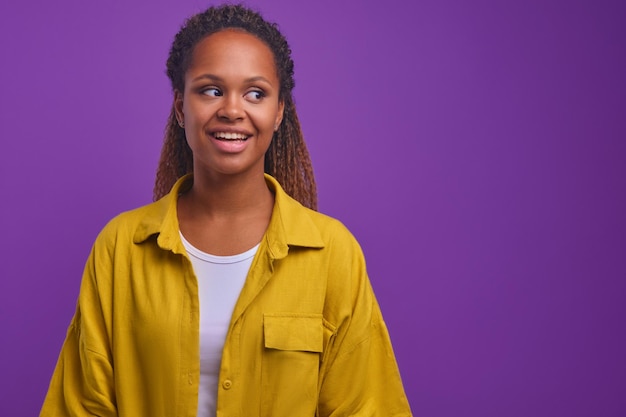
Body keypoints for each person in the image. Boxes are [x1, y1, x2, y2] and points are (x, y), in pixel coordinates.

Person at [40, 4, 412, 417]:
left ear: (278, 111)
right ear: (181, 107)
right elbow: (81, 407)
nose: (233, 110)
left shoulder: (332, 254)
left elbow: (368, 407)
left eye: (255, 93)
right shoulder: (120, 248)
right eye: (211, 90)